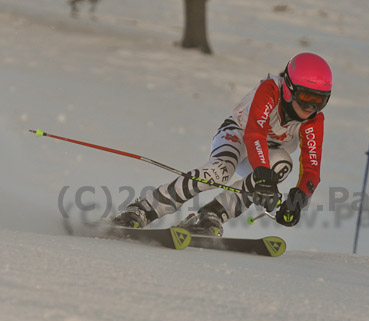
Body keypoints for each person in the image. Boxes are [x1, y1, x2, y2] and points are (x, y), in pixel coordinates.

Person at [111, 52, 332, 236]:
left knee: (282, 165)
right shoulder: (270, 91)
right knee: (220, 172)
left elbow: (312, 169)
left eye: (319, 100)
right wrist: (263, 176)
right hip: (238, 133)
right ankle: (145, 208)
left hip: (268, 153)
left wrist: (298, 199)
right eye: (305, 97)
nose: (311, 107)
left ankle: (212, 214)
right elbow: (254, 134)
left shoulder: (313, 121)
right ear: (289, 88)